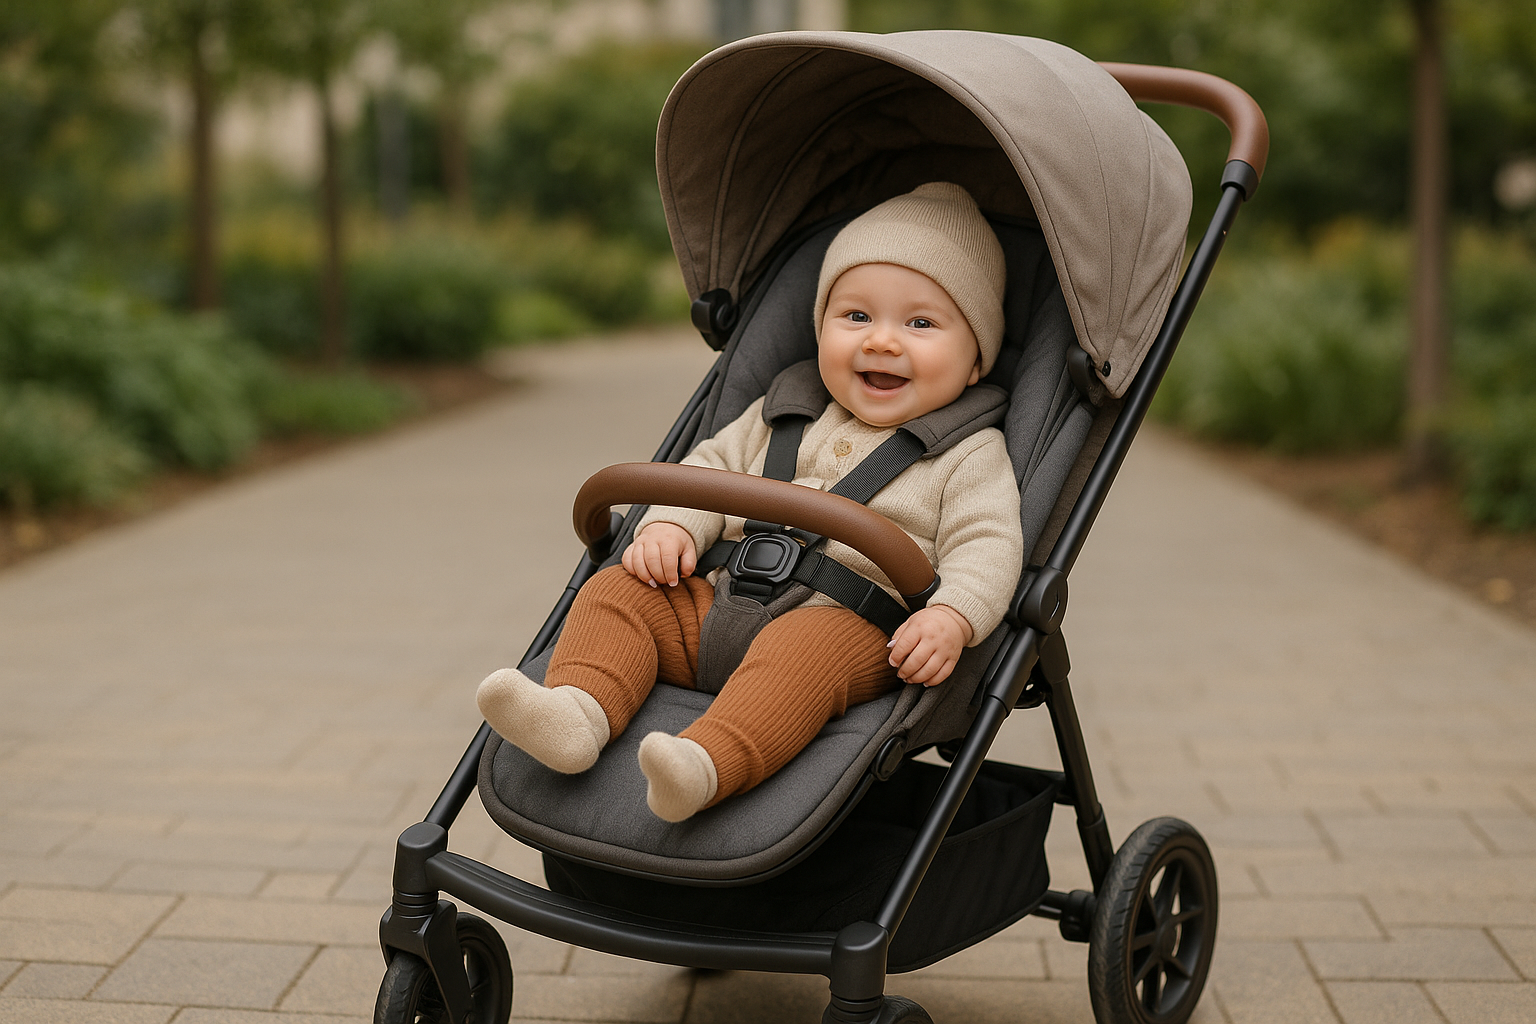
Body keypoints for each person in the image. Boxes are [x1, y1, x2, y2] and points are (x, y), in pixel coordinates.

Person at [477, 182, 1023, 822]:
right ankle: (577, 710)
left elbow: (988, 544)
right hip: (719, 599)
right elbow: (708, 471)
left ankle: (703, 766)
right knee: (618, 588)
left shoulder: (967, 453)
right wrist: (673, 526)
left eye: (921, 323)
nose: (881, 341)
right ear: (818, 330)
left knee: (801, 661)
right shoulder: (779, 412)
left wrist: (952, 617)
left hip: (845, 625)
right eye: (855, 317)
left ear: (977, 358)